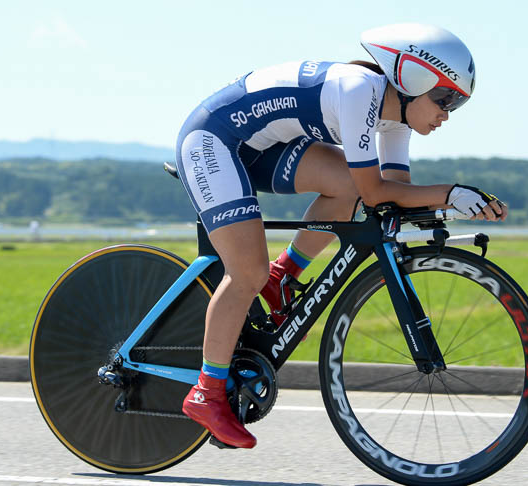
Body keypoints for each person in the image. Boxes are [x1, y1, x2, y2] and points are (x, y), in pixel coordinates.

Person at [175, 23, 507, 449]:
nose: (448, 112)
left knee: (347, 188)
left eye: (457, 104)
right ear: (410, 79)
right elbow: (379, 191)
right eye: (445, 98)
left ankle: (283, 275)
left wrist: (454, 201)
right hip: (214, 141)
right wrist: (449, 193)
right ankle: (206, 392)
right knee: (246, 273)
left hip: (262, 145)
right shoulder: (358, 92)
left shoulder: (395, 118)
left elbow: (391, 194)